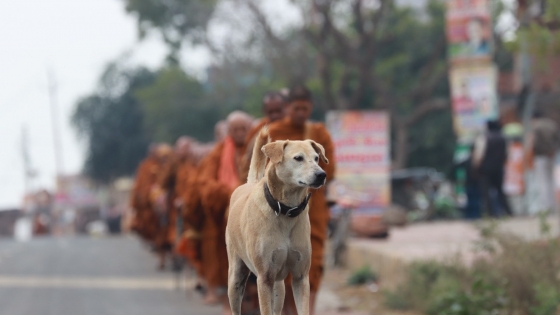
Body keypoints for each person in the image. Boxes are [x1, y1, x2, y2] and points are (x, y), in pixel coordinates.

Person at [268, 85, 336, 315]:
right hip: (277, 209)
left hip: (312, 208)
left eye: (305, 108)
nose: (300, 113)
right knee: (281, 266)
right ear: (287, 107)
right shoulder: (275, 132)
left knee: (311, 263)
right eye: (296, 108)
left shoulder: (318, 133)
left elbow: (330, 169)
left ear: (311, 108)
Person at [197, 111, 253, 314]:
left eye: (243, 129)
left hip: (255, 217)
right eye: (235, 129)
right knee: (227, 262)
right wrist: (233, 193)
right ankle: (228, 303)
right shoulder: (218, 153)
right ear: (228, 131)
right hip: (225, 218)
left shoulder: (258, 148)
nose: (240, 133)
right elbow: (205, 184)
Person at [152, 137, 195, 270]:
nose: (184, 151)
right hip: (175, 204)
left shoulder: (196, 161)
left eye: (187, 148)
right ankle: (175, 256)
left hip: (192, 203)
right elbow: (163, 182)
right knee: (174, 231)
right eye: (181, 148)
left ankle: (191, 261)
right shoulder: (173, 164)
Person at [240, 91, 287, 181]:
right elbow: (246, 161)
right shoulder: (257, 130)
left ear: (285, 107)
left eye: (278, 110)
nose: (275, 115)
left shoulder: (294, 127)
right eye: (271, 112)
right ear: (264, 111)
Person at [473, 120, 512, 217]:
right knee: (500, 191)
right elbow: (507, 154)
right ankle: (508, 212)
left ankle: (491, 214)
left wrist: (476, 167)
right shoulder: (503, 138)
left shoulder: (484, 138)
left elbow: (479, 155)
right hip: (499, 168)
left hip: (485, 169)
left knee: (486, 192)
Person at [529, 110, 560, 213]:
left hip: (541, 156)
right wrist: (553, 151)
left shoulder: (537, 126)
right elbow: (557, 140)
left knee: (543, 182)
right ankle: (553, 206)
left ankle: (546, 207)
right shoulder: (552, 124)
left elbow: (535, 143)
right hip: (552, 155)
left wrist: (534, 153)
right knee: (551, 181)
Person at [130, 144, 160, 242]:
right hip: (143, 201)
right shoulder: (144, 165)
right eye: (152, 152)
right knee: (144, 223)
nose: (153, 153)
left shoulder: (161, 165)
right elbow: (138, 183)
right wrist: (134, 201)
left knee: (157, 224)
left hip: (155, 201)